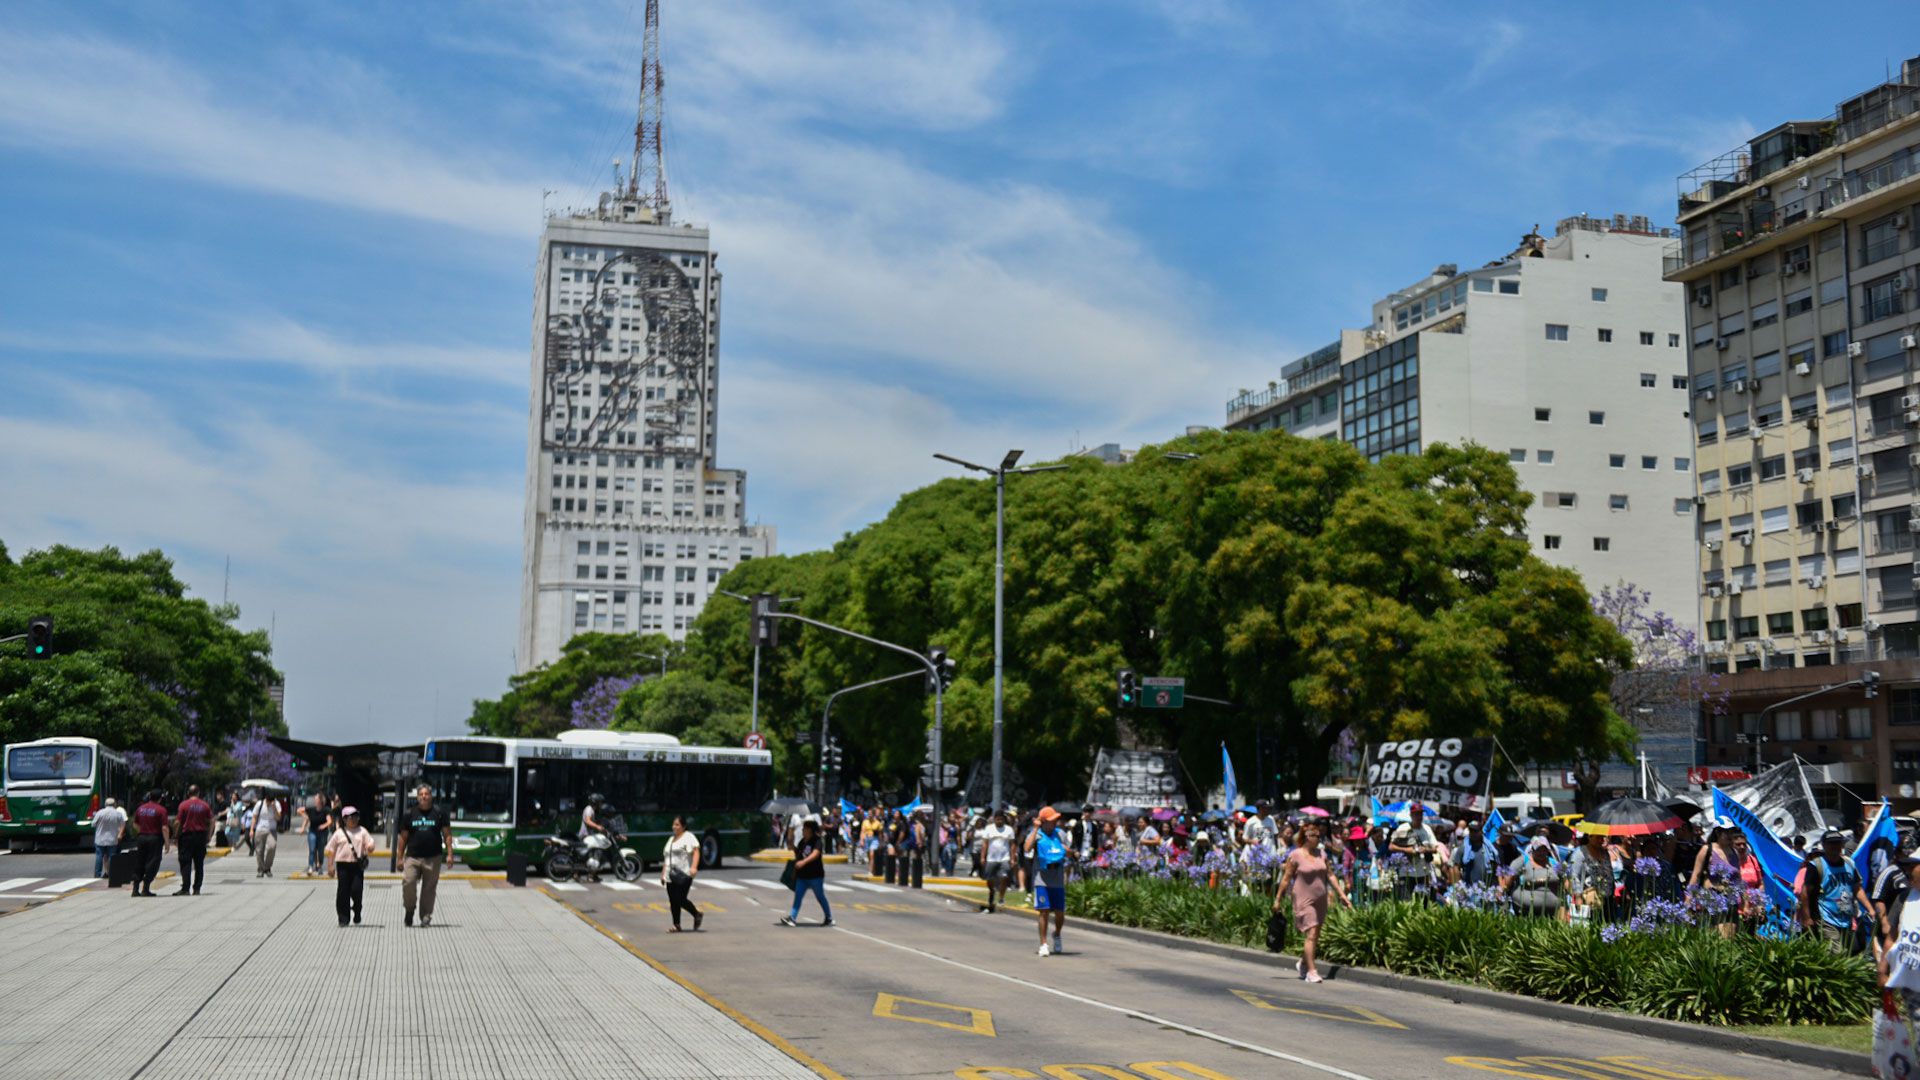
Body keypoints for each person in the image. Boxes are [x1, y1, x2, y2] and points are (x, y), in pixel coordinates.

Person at [1276, 821, 1350, 982]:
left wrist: (1342, 895)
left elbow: (1330, 875)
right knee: (1312, 932)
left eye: (1318, 835)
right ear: (1305, 837)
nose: (1317, 838)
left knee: (1315, 935)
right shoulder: (1295, 855)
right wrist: (1278, 899)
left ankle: (1303, 962)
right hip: (1303, 898)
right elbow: (1286, 878)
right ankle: (1312, 971)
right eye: (1313, 835)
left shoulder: (1322, 854)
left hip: (1320, 899)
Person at [1877, 850, 1920, 1073]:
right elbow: (1891, 937)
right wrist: (1883, 971)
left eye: (1913, 866)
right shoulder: (1904, 899)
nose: (1908, 871)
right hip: (1912, 981)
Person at [1799, 830, 1872, 953]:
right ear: (1824, 845)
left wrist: (1870, 908)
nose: (1835, 847)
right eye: (1831, 844)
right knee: (1835, 953)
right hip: (1825, 918)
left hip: (1846, 918)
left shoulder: (1849, 863)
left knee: (1847, 953)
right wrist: (1806, 917)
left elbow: (1857, 888)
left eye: (1838, 843)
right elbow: (1805, 892)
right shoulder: (1816, 866)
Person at [396, 784, 453, 928]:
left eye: (426, 794)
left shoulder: (439, 813)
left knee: (429, 888)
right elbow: (403, 838)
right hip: (413, 857)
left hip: (433, 857)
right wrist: (399, 857)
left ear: (431, 796)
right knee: (408, 883)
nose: (423, 796)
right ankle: (409, 910)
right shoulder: (410, 814)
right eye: (421, 794)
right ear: (417, 797)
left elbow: (447, 835)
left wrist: (450, 854)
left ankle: (426, 915)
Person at [1026, 806, 1073, 957]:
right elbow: (1026, 848)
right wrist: (1035, 829)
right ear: (1044, 821)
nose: (1055, 823)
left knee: (1059, 913)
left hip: (1057, 879)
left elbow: (1069, 853)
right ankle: (1043, 943)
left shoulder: (1060, 834)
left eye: (1055, 820)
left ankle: (1057, 934)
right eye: (1052, 820)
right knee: (1044, 912)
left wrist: (1067, 850)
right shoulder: (1037, 835)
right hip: (1042, 879)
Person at [324, 807, 376, 926]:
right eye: (349, 817)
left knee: (357, 890)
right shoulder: (339, 833)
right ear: (344, 819)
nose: (353, 819)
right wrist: (330, 866)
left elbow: (370, 843)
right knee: (343, 892)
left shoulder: (362, 831)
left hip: (357, 866)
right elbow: (331, 850)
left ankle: (357, 910)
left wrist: (370, 847)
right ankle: (343, 918)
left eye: (355, 816)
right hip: (342, 865)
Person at [780, 819, 833, 927]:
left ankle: (829, 917)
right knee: (798, 896)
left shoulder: (816, 841)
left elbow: (816, 854)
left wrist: (803, 862)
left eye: (804, 828)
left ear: (810, 830)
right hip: (802, 876)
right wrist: (792, 846)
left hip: (815, 875)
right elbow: (799, 854)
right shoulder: (802, 841)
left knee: (820, 897)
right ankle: (792, 918)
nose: (803, 830)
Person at [1503, 837, 1567, 920]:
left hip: (1552, 911)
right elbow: (1509, 877)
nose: (1541, 852)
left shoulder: (1554, 863)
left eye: (1544, 850)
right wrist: (1503, 890)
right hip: (1525, 908)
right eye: (1539, 850)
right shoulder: (1523, 860)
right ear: (1532, 849)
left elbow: (1566, 879)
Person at [1389, 803, 1441, 900]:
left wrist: (1425, 849)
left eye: (1420, 814)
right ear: (1411, 815)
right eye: (1416, 814)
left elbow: (1435, 848)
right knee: (1406, 901)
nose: (1419, 816)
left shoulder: (1427, 829)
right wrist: (1407, 850)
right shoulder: (1402, 828)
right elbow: (1391, 846)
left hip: (1424, 872)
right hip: (1406, 873)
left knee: (1424, 902)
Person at [662, 815, 703, 932]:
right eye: (673, 824)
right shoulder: (671, 839)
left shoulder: (688, 837)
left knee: (680, 898)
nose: (674, 827)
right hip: (671, 875)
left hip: (684, 874)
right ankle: (676, 925)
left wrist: (694, 867)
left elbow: (696, 851)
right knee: (672, 901)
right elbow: (667, 858)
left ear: (683, 826)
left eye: (677, 825)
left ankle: (696, 914)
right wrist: (663, 873)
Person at [173, 785, 214, 895]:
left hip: (187, 837)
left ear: (188, 793)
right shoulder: (205, 805)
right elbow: (211, 820)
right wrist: (209, 835)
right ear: (198, 793)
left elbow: (178, 822)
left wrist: (176, 836)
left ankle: (185, 888)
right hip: (200, 836)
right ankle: (197, 889)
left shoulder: (183, 805)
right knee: (199, 863)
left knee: (185, 862)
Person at [131, 790, 169, 898]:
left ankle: (135, 888)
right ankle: (146, 888)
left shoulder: (141, 808)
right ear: (160, 799)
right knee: (153, 862)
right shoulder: (161, 810)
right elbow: (165, 828)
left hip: (142, 837)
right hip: (155, 838)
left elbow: (135, 824)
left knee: (140, 862)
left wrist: (142, 831)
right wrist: (167, 843)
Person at [977, 811, 1016, 914]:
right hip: (991, 858)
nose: (999, 821)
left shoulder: (1009, 830)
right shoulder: (989, 829)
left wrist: (1012, 858)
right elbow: (985, 844)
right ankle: (992, 891)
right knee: (990, 879)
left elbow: (1012, 845)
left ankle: (1001, 897)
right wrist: (982, 857)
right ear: (994, 819)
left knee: (1004, 877)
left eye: (1001, 819)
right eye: (997, 819)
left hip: (1004, 858)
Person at [579, 792, 611, 883]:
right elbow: (587, 821)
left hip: (589, 835)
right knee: (597, 853)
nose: (601, 804)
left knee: (595, 855)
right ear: (595, 802)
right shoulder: (589, 809)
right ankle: (591, 876)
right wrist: (597, 827)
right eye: (600, 802)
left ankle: (593, 874)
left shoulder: (593, 810)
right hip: (586, 835)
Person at [92, 797, 127, 879]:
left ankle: (97, 874)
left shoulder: (100, 813)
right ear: (114, 804)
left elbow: (93, 824)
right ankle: (111, 873)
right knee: (112, 856)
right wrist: (120, 834)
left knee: (99, 856)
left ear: (105, 804)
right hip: (112, 839)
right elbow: (123, 824)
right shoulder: (117, 813)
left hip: (100, 839)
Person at [249, 790, 279, 877]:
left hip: (272, 830)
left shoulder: (276, 804)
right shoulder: (259, 804)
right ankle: (261, 869)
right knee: (259, 850)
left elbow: (278, 818)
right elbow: (254, 817)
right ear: (266, 799)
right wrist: (251, 830)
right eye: (269, 801)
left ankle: (267, 867)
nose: (270, 802)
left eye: (272, 801)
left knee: (272, 847)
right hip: (260, 829)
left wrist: (274, 808)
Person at [302, 796, 332, 876]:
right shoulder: (311, 809)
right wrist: (306, 817)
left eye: (316, 799)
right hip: (312, 831)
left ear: (321, 801)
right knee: (312, 849)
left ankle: (320, 866)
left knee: (320, 850)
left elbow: (329, 821)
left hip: (322, 832)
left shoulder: (326, 810)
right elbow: (299, 810)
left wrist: (324, 825)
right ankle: (311, 866)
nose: (314, 801)